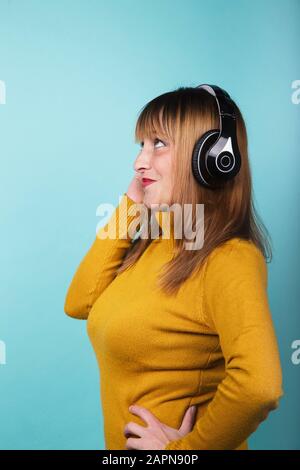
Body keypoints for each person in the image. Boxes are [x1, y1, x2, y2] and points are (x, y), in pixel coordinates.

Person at [64, 85, 284, 450]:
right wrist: (132, 203)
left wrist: (183, 452)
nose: (139, 162)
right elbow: (78, 303)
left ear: (213, 157)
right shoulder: (152, 241)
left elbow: (259, 386)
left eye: (159, 144)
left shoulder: (228, 259)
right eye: (141, 146)